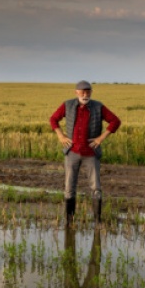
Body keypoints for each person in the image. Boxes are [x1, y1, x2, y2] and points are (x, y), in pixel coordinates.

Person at [50, 80, 121, 226]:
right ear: (76, 92)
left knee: (96, 188)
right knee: (69, 188)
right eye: (82, 91)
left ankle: (97, 221)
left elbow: (115, 121)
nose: (85, 94)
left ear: (91, 92)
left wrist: (101, 138)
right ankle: (69, 222)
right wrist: (60, 136)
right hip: (72, 153)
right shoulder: (67, 105)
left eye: (88, 91)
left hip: (91, 154)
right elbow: (53, 119)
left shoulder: (98, 107)